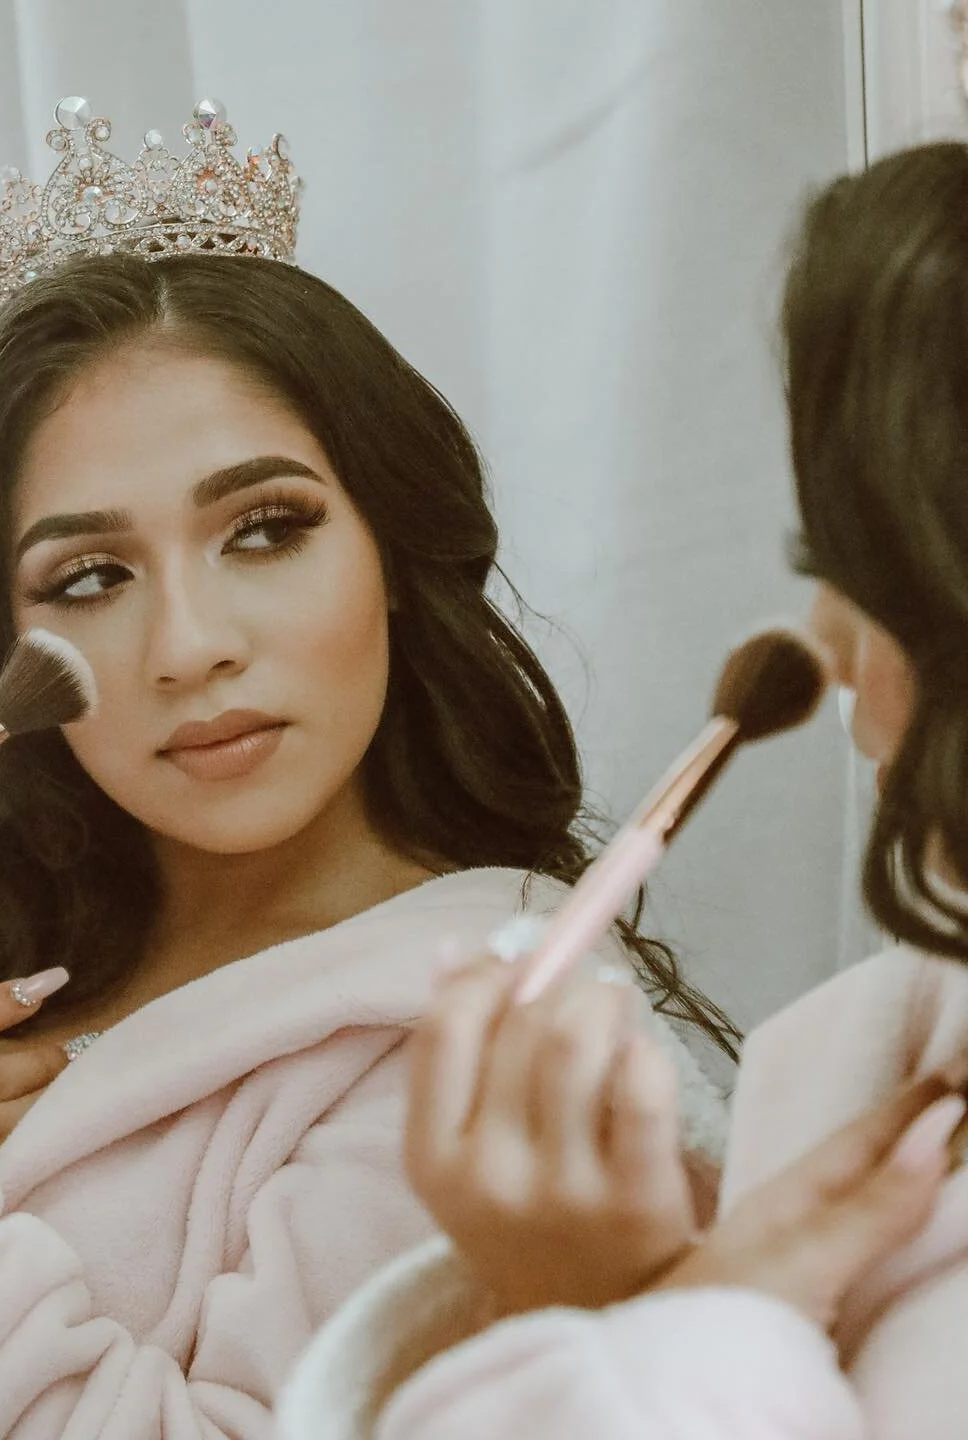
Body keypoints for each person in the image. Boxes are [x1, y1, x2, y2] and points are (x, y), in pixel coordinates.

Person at [0, 98, 731, 1439]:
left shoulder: (498, 1042)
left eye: (267, 531)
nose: (190, 647)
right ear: (4, 641)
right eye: (93, 576)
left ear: (393, 558)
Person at [277, 140, 968, 1440]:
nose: (826, 654)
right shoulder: (858, 1065)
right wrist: (659, 1306)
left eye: (871, 572)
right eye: (85, 577)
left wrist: (622, 1327)